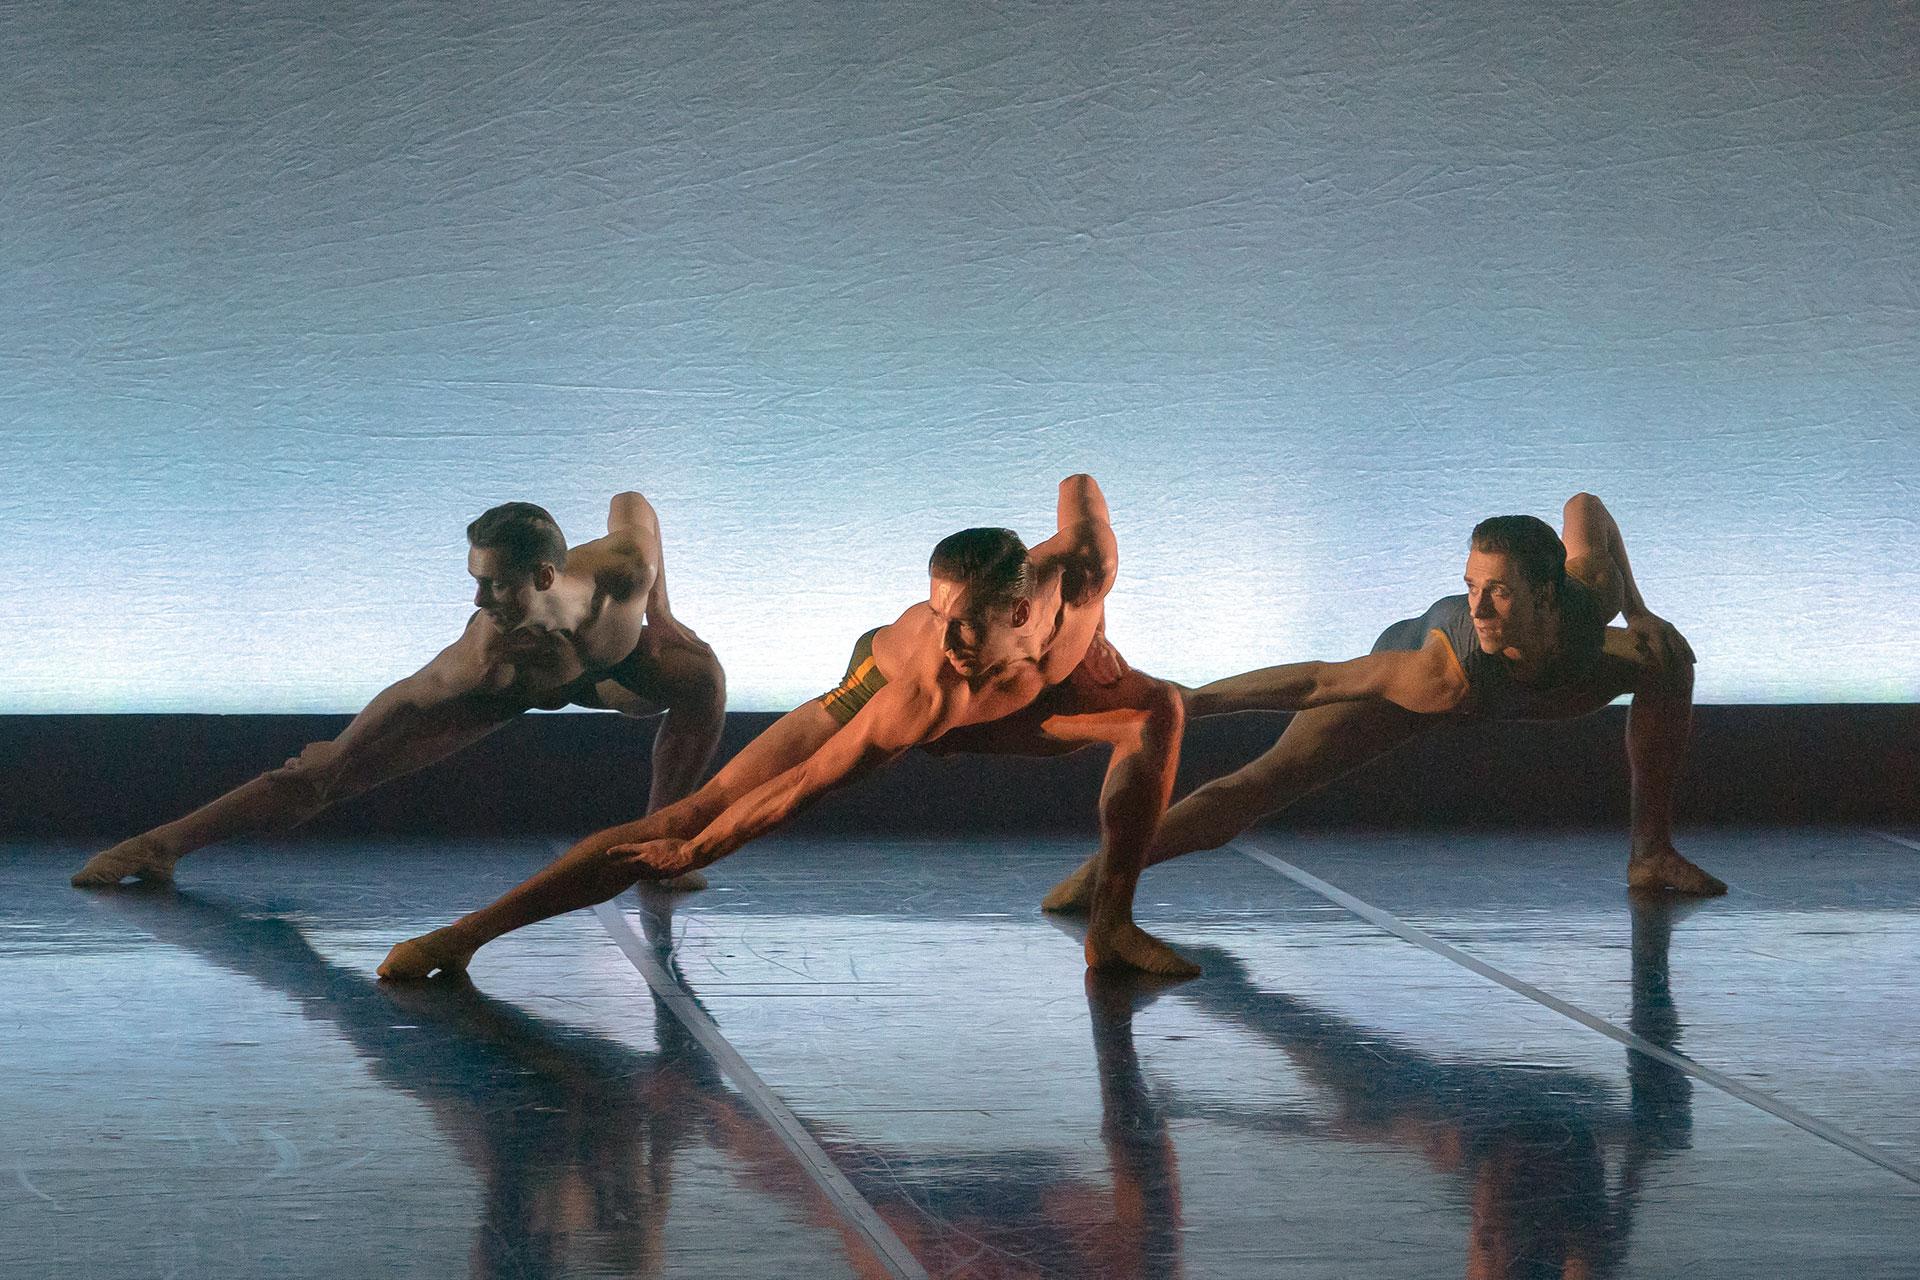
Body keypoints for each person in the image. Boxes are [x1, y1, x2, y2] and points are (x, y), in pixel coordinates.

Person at [379, 474, 1198, 981]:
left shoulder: (1086, 569)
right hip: (876, 691)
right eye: (937, 615)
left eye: (965, 625)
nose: (947, 637)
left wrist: (1096, 630)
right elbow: (810, 782)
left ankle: (1111, 925)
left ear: (1022, 610)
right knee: (683, 820)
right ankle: (465, 935)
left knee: (1158, 709)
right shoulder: (929, 685)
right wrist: (698, 851)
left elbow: (1079, 485)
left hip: (1025, 696)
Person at [1044, 493, 1725, 912]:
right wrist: (1191, 700)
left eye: (1499, 592)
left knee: (1670, 660)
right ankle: (1102, 873)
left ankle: (1650, 852)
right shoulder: (1437, 672)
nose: (1479, 608)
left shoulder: (1592, 591)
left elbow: (1584, 506)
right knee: (1262, 784)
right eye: (1471, 587)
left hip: (1543, 679)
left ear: (1548, 595)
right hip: (1426, 694)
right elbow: (1319, 681)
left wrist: (1641, 613)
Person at [71, 494, 725, 888]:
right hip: (517, 688)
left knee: (703, 677)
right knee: (322, 779)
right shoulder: (486, 655)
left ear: (547, 575)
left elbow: (633, 501)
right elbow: (410, 696)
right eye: (476, 581)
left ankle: (662, 841)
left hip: (613, 666)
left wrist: (662, 614)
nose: (479, 599)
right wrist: (342, 749)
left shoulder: (625, 568)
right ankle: (158, 846)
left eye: (496, 584)